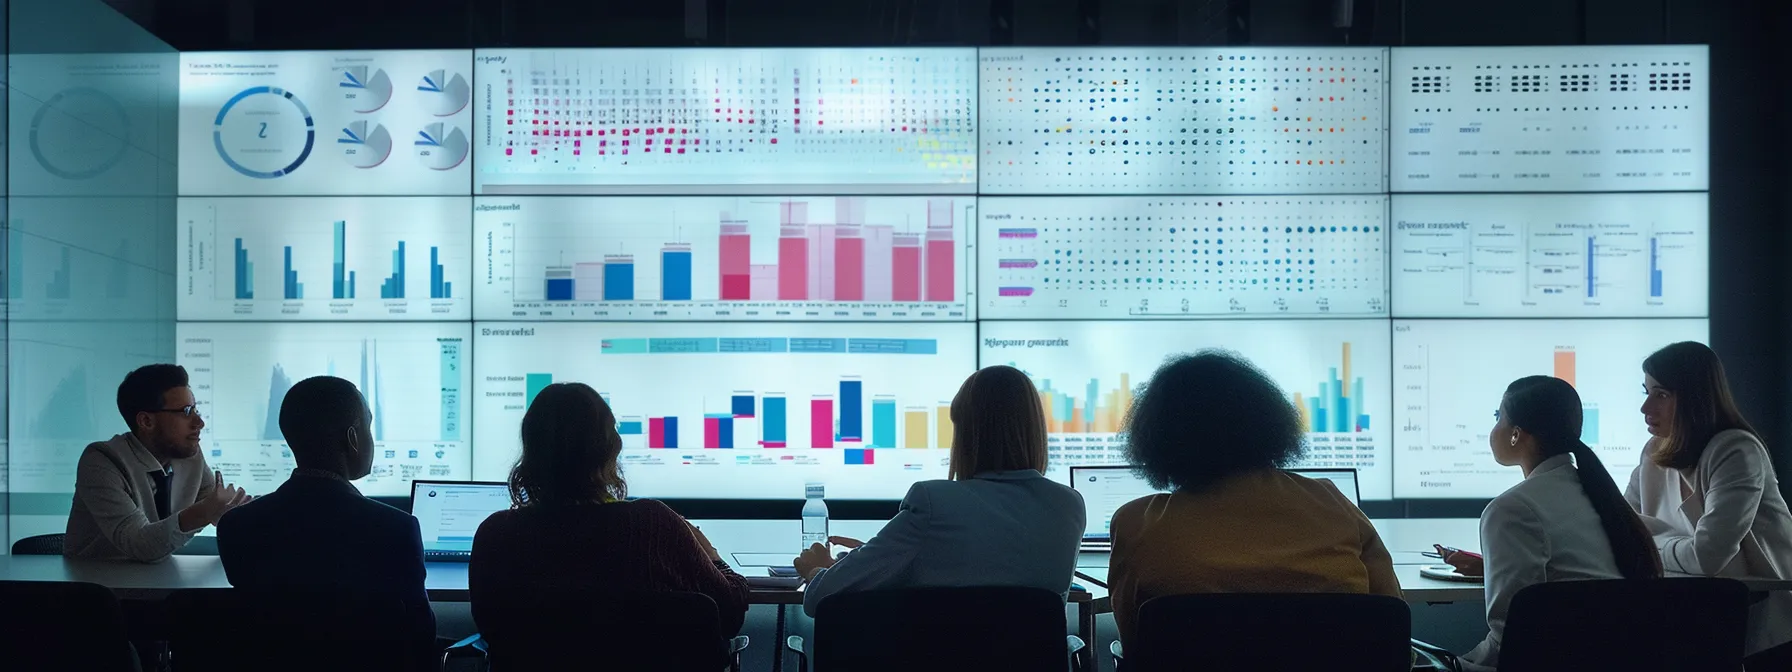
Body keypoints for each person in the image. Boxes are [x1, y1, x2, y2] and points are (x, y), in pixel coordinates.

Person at [1107, 350, 1401, 646]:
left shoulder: (1137, 523)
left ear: (1157, 438)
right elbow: (1392, 623)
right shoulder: (1332, 502)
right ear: (1269, 421)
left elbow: (1135, 641)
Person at [792, 365, 1085, 617]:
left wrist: (818, 570)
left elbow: (822, 598)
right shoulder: (1069, 506)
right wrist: (867, 558)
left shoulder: (933, 502)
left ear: (967, 434)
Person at [470, 382, 750, 636]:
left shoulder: (496, 534)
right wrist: (712, 556)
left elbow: (488, 627)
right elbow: (730, 611)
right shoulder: (653, 524)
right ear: (609, 448)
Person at [1438, 376, 1661, 672]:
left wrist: (1454, 663)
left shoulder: (1511, 509)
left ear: (1516, 434)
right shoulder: (1600, 495)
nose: (1494, 429)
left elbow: (1511, 638)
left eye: (1498, 417)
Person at [215, 376, 435, 665]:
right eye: (367, 427)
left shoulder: (236, 526)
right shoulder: (395, 527)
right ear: (353, 439)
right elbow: (422, 633)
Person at [1627, 341, 1792, 664]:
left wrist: (1651, 544)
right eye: (1645, 392)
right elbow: (1622, 531)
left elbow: (1707, 557)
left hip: (1767, 631)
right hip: (1699, 618)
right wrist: (1664, 544)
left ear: (1694, 397)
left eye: (1661, 394)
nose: (1646, 408)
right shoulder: (1653, 451)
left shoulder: (1735, 451)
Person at [65, 364, 250, 562]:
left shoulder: (188, 454)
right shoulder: (101, 461)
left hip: (161, 579)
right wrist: (203, 513)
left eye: (195, 409)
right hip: (95, 587)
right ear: (146, 421)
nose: (199, 422)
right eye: (186, 411)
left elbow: (217, 504)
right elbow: (139, 544)